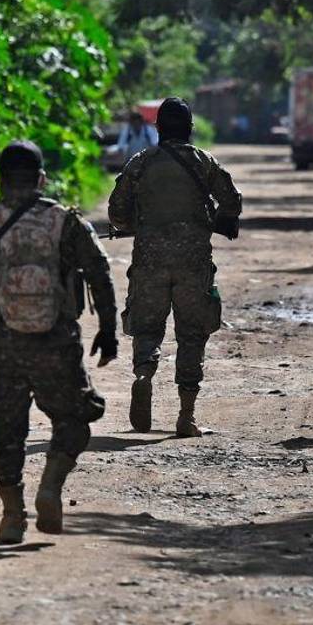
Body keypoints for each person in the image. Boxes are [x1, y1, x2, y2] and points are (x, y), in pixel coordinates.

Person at [0, 141, 117, 542]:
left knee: (4, 431)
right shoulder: (65, 222)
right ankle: (50, 486)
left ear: (0, 180)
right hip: (58, 341)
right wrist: (108, 329)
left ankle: (12, 515)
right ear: (41, 179)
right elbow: (100, 272)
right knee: (74, 418)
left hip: (2, 344)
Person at [108, 97, 242, 437]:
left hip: (149, 260)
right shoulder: (203, 162)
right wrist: (215, 219)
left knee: (147, 328)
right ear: (190, 129)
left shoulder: (141, 161)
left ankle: (143, 374)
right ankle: (186, 416)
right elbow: (232, 201)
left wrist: (136, 222)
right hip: (193, 263)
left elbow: (116, 212)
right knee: (192, 334)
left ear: (157, 129)